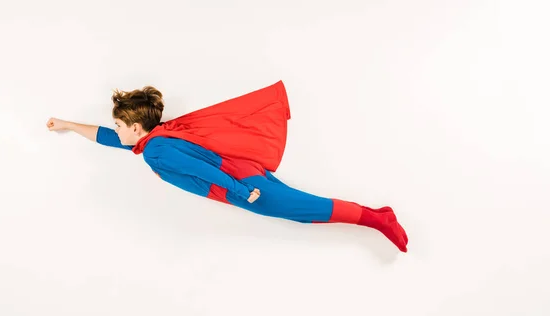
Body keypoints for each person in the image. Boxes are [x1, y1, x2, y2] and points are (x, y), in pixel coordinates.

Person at [46, 81, 408, 252]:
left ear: (137, 129)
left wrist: (239, 192)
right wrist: (67, 125)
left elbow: (204, 173)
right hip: (243, 175)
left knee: (305, 208)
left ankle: (379, 218)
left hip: (242, 185)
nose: (117, 131)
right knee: (301, 209)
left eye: (121, 126)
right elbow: (109, 138)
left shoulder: (155, 151)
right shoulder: (153, 139)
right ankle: (375, 215)